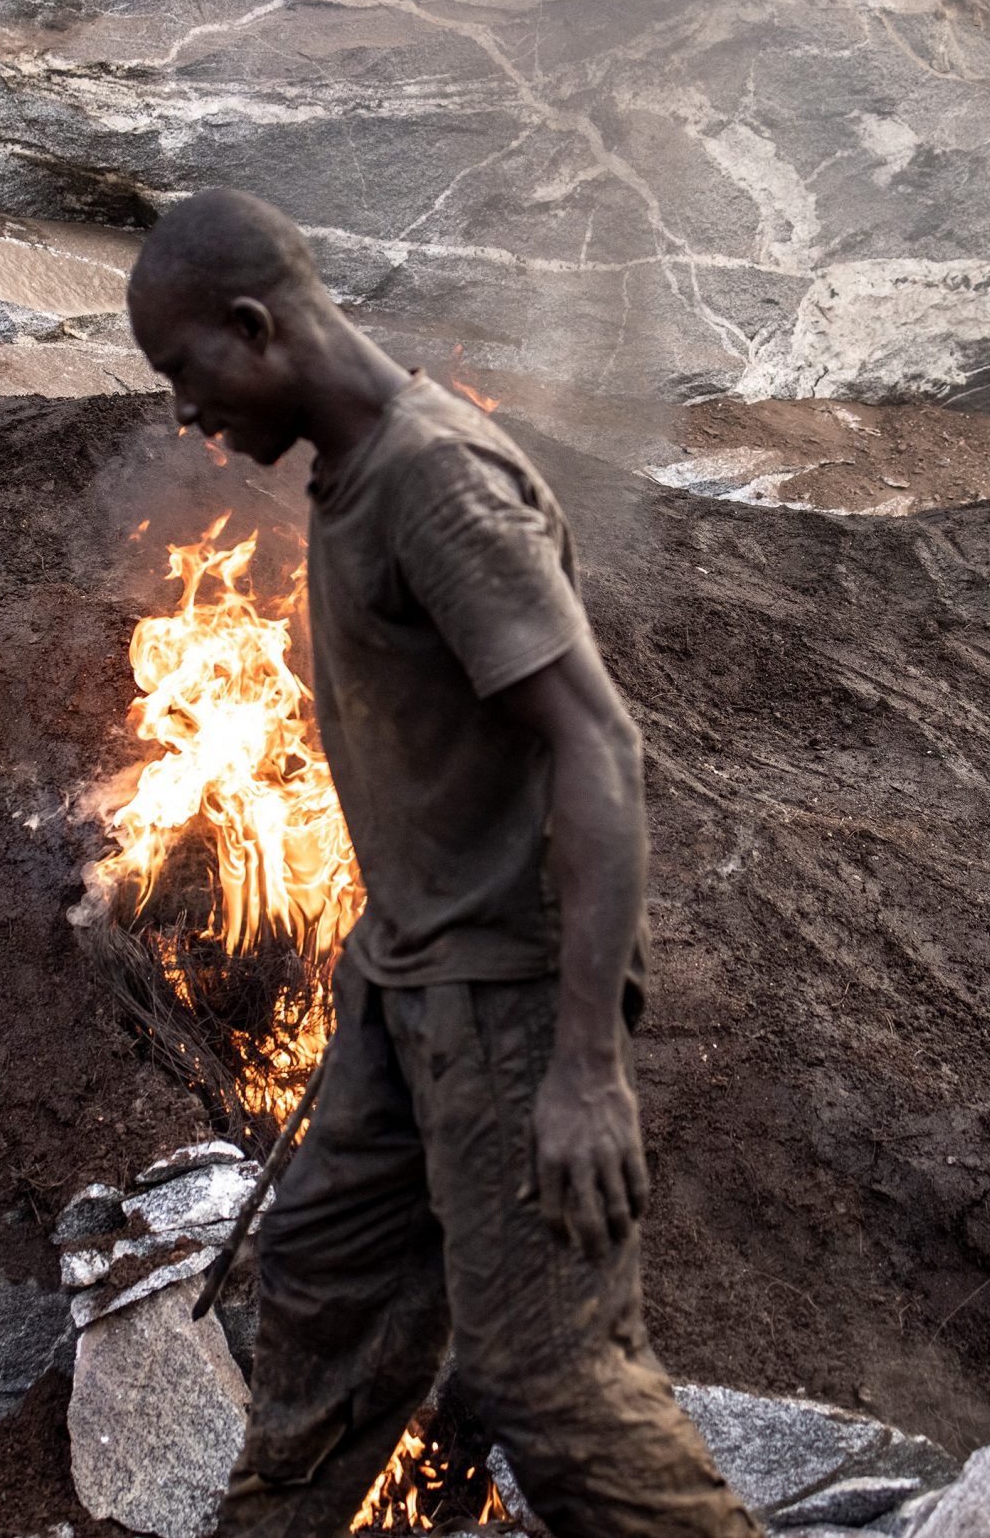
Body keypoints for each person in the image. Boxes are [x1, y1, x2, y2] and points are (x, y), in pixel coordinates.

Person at [125, 188, 762, 1538]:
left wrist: (586, 1068)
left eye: (188, 372)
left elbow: (598, 743)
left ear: (256, 324)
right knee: (323, 1282)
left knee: (553, 1383)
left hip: (509, 1005)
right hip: (408, 990)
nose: (189, 413)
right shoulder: (357, 479)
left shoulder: (438, 484)